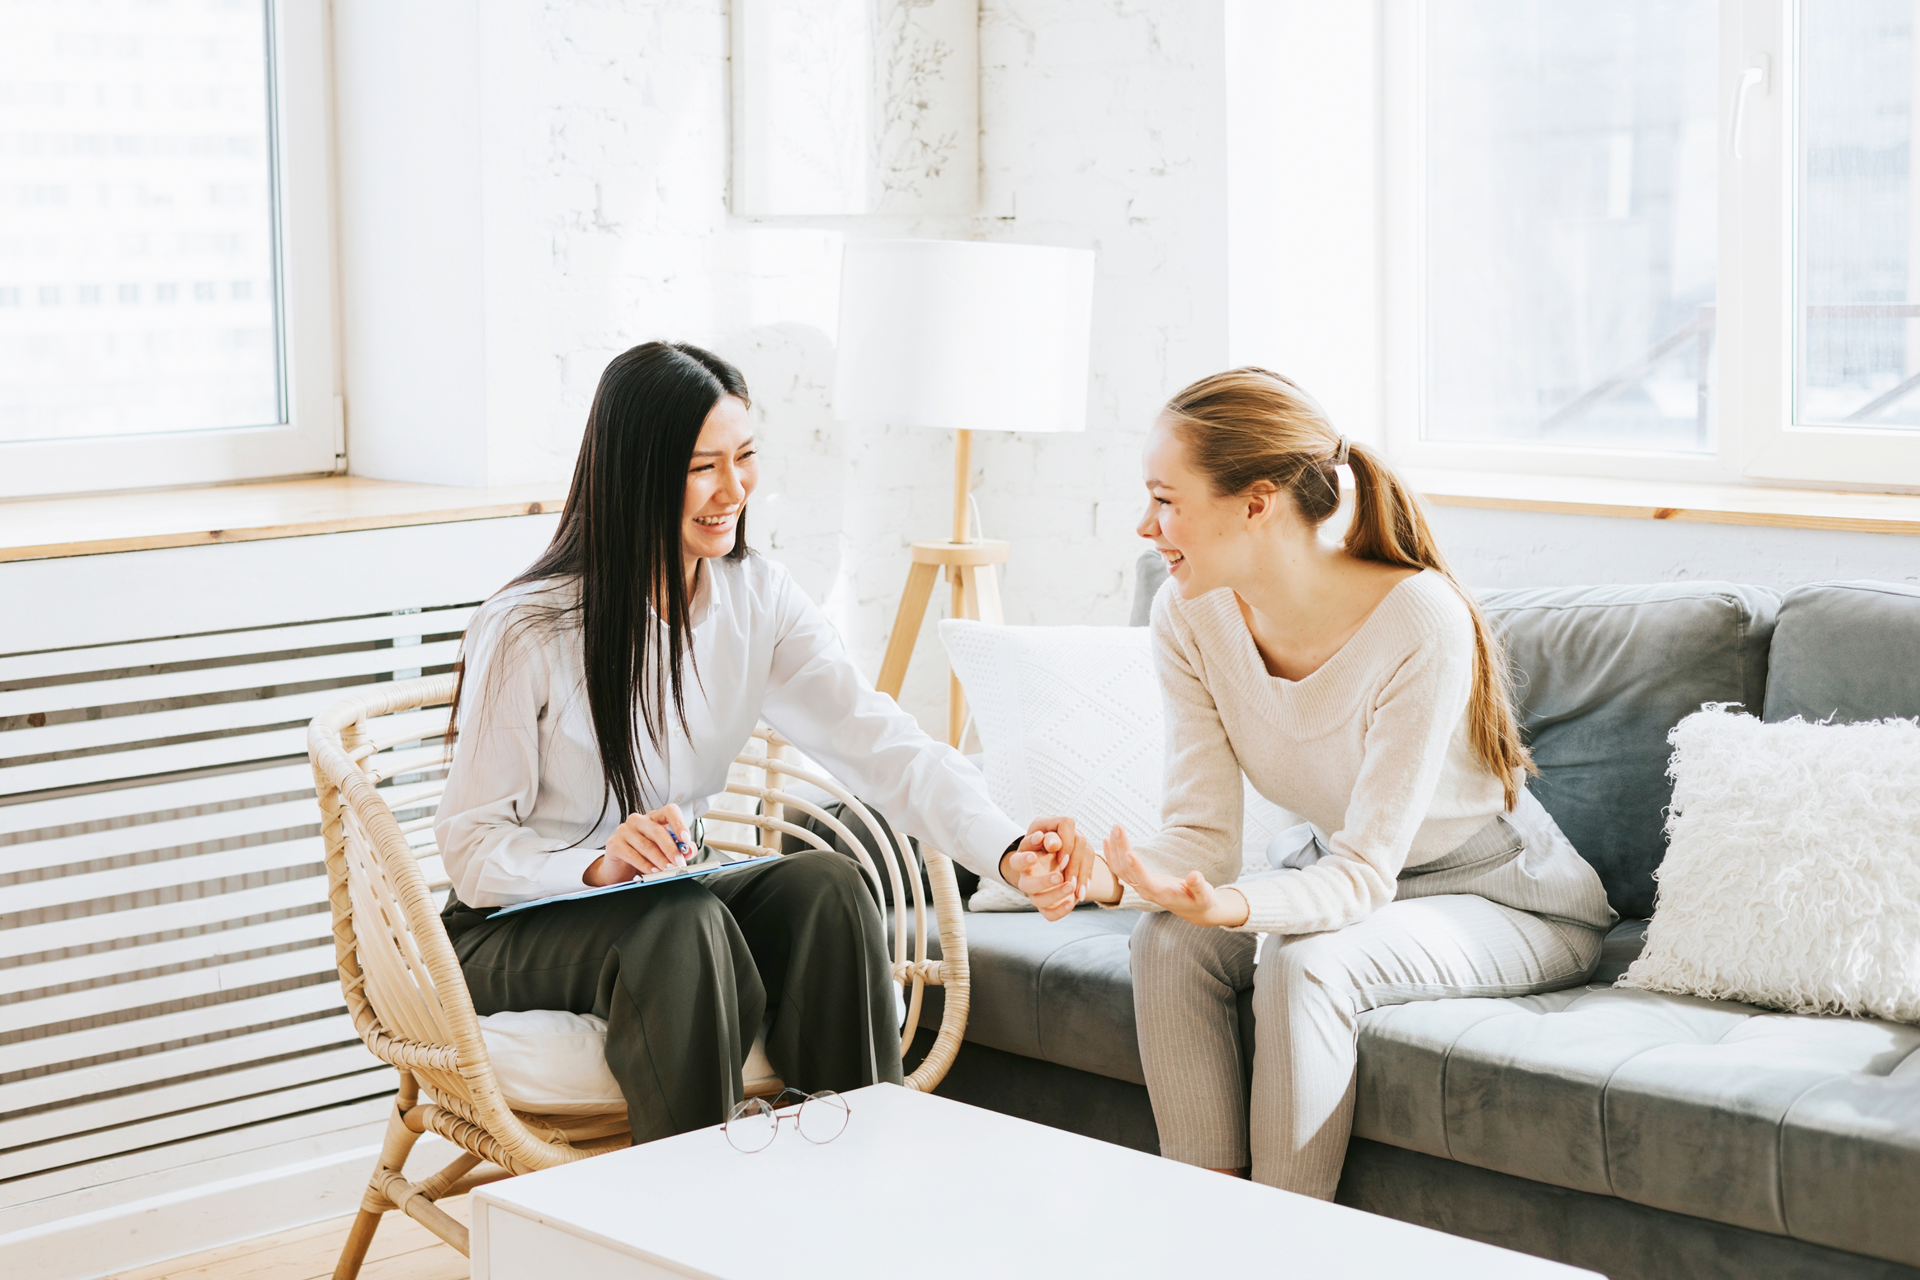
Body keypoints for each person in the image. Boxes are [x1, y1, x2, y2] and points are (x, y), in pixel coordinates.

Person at [435, 340, 1069, 1141]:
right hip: (516, 926)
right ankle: (697, 1233)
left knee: (828, 889)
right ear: (637, 471)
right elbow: (470, 846)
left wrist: (1007, 846)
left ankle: (862, 1193)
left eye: (745, 457)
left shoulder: (755, 598)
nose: (733, 490)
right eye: (704, 466)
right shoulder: (530, 627)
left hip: (670, 907)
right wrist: (601, 866)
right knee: (677, 922)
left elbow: (883, 744)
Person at [1005, 367, 1614, 1198]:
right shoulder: (1189, 615)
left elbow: (1364, 873)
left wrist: (1237, 905)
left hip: (1502, 897)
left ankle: (1287, 1246)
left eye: (1167, 499)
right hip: (1351, 879)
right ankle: (1209, 1227)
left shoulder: (1418, 617)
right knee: (1170, 942)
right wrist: (1102, 875)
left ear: (1257, 503)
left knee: (1306, 964)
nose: (1146, 525)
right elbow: (1200, 842)